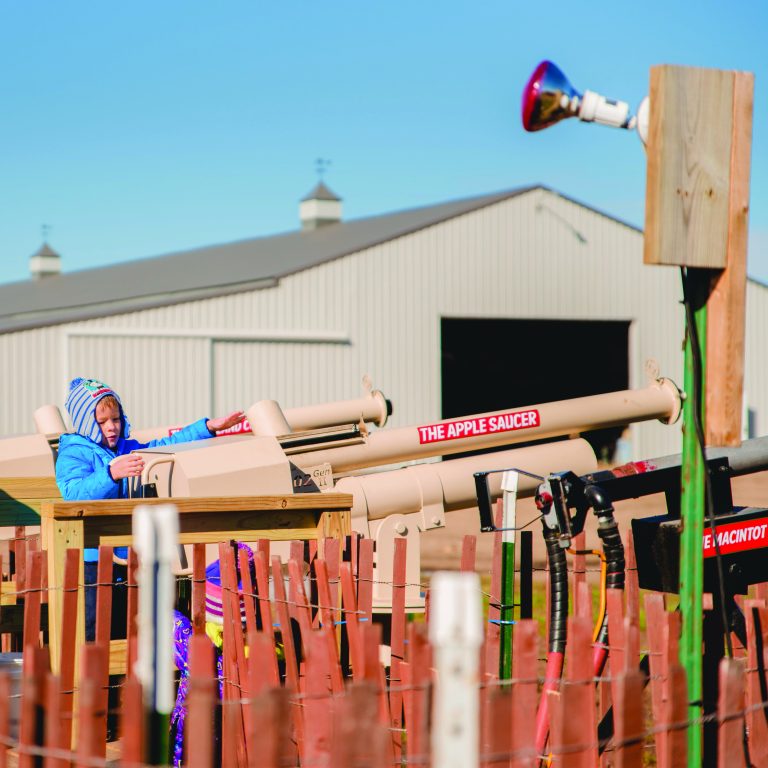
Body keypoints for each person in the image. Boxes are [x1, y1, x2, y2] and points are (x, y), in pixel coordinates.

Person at [55, 377, 245, 639]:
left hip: (129, 557)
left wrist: (208, 428)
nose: (111, 427)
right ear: (86, 423)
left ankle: (127, 666)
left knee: (128, 627)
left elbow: (165, 446)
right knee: (95, 628)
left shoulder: (128, 448)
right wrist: (111, 474)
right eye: (102, 421)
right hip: (94, 559)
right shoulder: (74, 453)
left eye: (116, 419)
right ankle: (91, 666)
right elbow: (73, 493)